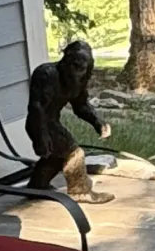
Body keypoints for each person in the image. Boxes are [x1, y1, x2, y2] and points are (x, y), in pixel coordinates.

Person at [24, 36, 111, 200]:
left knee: (55, 156)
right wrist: (40, 136)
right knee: (74, 153)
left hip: (51, 121)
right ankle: (81, 191)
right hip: (39, 121)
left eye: (81, 67)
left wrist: (97, 122)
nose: (75, 71)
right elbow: (37, 108)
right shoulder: (47, 74)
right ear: (65, 61)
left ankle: (38, 185)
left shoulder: (78, 81)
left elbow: (81, 106)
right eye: (73, 65)